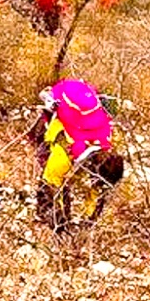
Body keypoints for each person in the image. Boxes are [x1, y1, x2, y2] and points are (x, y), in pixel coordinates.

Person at [27, 78, 124, 233]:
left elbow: (96, 193)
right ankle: (50, 223)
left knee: (64, 184)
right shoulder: (65, 156)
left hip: (74, 129)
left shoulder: (104, 142)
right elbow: (50, 188)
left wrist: (87, 223)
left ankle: (60, 219)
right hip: (59, 136)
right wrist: (61, 225)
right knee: (53, 185)